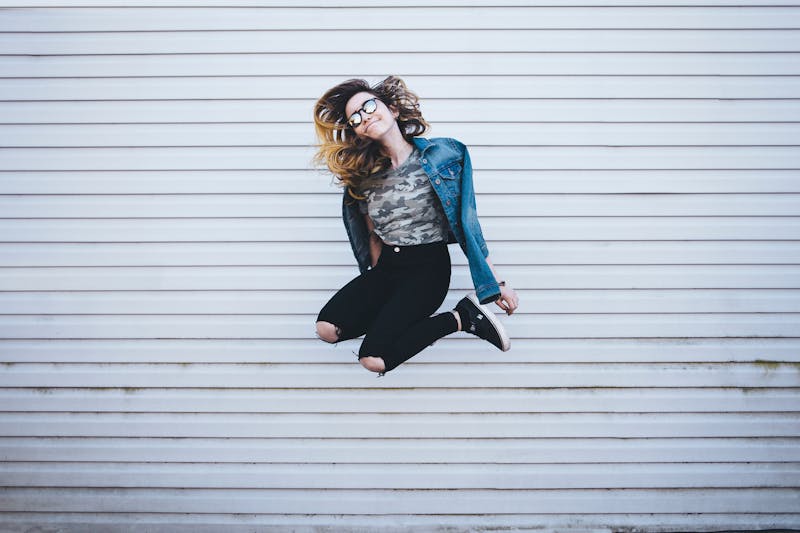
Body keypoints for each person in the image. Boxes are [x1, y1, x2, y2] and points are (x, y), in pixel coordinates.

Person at [313, 76, 519, 375]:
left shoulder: (444, 156)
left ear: (393, 110)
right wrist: (373, 283)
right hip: (387, 268)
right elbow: (370, 233)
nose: (364, 116)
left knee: (374, 360)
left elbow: (468, 224)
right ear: (357, 132)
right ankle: (404, 322)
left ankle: (461, 318)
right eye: (355, 118)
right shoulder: (362, 177)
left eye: (369, 105)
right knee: (327, 329)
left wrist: (495, 283)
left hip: (427, 270)